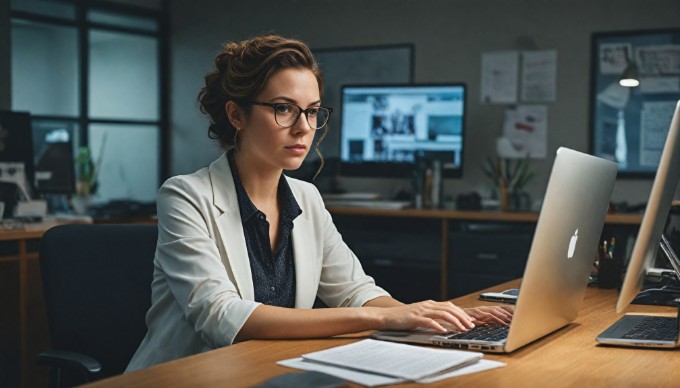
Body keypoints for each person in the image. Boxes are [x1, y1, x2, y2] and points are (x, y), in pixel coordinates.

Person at [126, 34, 512, 371]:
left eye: (311, 111)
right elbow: (221, 316)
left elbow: (355, 290)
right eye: (283, 108)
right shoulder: (185, 196)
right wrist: (382, 316)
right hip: (188, 377)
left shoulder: (306, 198)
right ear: (236, 115)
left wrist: (429, 318)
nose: (304, 127)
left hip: (273, 374)